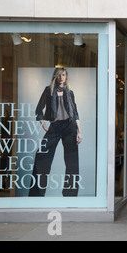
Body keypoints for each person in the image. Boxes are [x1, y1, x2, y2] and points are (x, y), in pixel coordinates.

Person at [29, 68, 82, 197]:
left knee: (72, 162)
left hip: (70, 127)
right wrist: (43, 124)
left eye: (63, 75)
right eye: (59, 75)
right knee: (42, 158)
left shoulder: (70, 92)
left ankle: (70, 195)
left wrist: (79, 131)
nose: (61, 77)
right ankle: (36, 195)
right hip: (55, 126)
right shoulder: (49, 90)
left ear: (66, 77)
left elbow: (75, 113)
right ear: (55, 77)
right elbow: (39, 109)